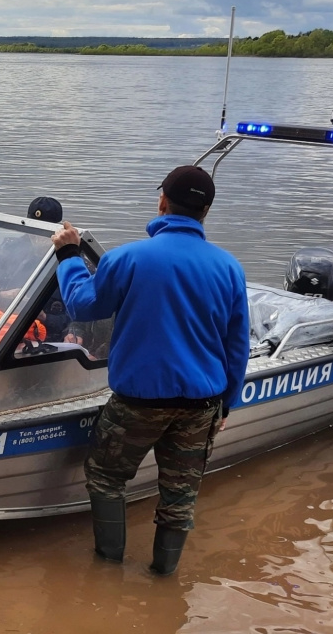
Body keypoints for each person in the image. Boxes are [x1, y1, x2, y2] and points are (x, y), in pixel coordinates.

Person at [49, 165, 249, 575]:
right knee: (180, 495)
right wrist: (226, 406)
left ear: (162, 203)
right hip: (201, 404)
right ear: (206, 211)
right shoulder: (229, 268)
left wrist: (68, 255)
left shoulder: (128, 258)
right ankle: (162, 579)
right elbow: (237, 346)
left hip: (138, 402)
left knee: (106, 477)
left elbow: (84, 307)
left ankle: (107, 569)